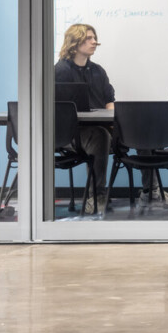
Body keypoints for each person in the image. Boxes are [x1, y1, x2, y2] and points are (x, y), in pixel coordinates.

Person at [53, 23, 114, 214]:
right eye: (89, 38)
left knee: (138, 127)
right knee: (100, 135)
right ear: (75, 41)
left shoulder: (98, 71)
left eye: (94, 38)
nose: (94, 42)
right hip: (72, 133)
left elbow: (109, 101)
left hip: (100, 128)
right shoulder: (60, 71)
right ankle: (97, 196)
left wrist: (112, 119)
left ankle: (151, 191)